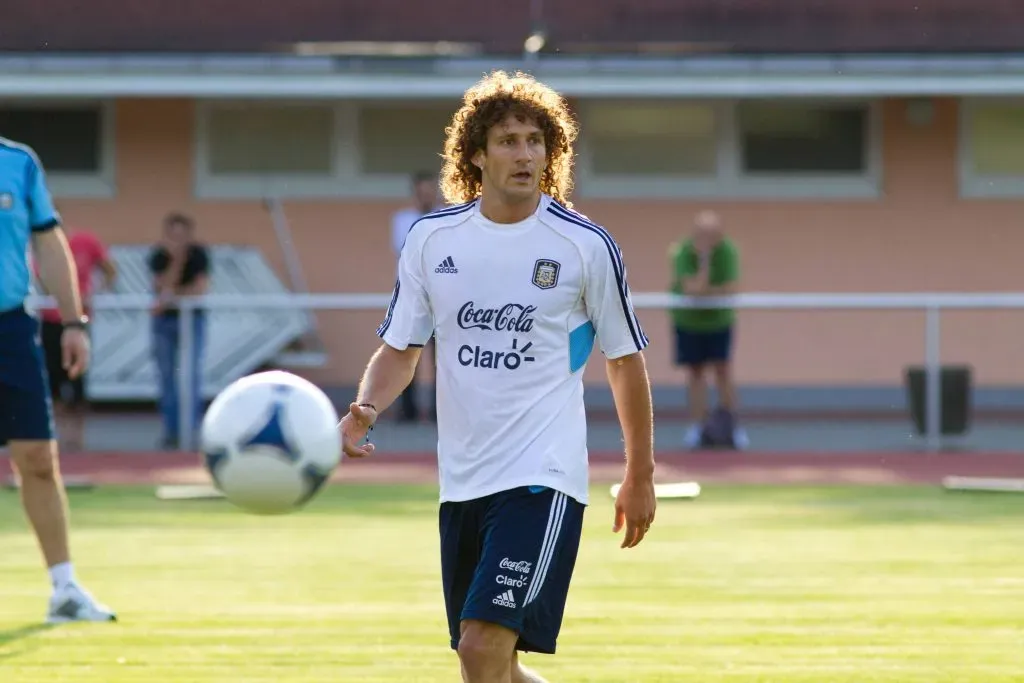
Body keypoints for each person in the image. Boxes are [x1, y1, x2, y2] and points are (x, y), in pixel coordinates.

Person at [339, 71, 657, 683]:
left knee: (482, 648)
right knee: (490, 662)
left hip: (543, 477)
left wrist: (637, 474)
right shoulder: (433, 239)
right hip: (462, 482)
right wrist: (364, 409)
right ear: (476, 155)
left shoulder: (585, 246)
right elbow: (401, 350)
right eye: (509, 140)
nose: (525, 153)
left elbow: (623, 361)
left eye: (537, 140)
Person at [0, 138, 116, 622]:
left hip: (10, 328)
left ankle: (65, 591)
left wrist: (72, 323)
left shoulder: (19, 162)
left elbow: (48, 241)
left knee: (39, 461)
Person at [668, 209, 747, 449]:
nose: (707, 240)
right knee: (695, 374)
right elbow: (693, 289)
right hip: (688, 322)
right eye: (702, 234)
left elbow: (730, 289)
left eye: (712, 235)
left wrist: (707, 290)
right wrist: (703, 262)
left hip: (719, 321)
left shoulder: (728, 251)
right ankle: (697, 426)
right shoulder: (681, 251)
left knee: (723, 372)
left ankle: (733, 428)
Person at [36, 224, 117, 451]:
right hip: (52, 321)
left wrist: (95, 293)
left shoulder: (85, 242)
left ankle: (78, 437)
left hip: (79, 320)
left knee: (78, 379)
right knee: (53, 380)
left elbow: (110, 269)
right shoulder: (40, 248)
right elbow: (44, 283)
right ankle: (57, 435)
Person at [147, 212, 211, 449]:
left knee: (191, 374)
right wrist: (176, 261)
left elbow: (199, 289)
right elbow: (161, 288)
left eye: (181, 235)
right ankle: (171, 431)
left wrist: (172, 297)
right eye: (173, 234)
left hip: (192, 320)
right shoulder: (159, 256)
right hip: (164, 323)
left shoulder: (200, 255)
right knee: (166, 376)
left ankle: (190, 431)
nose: (177, 239)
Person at [389, 170, 441, 422]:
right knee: (408, 354)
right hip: (411, 297)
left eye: (430, 189)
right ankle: (407, 411)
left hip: (440, 298)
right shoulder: (403, 219)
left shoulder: (446, 218)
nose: (426, 195)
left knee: (441, 358)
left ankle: (438, 411)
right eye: (422, 190)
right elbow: (406, 249)